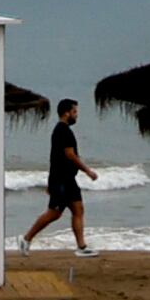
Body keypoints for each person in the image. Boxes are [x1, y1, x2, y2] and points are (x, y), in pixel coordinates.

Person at [22, 96, 95, 255]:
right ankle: (26, 239)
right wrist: (87, 170)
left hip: (68, 179)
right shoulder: (62, 131)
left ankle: (81, 247)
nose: (76, 115)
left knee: (78, 209)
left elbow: (55, 157)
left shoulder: (64, 130)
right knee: (54, 214)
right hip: (61, 180)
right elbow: (70, 155)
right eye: (74, 112)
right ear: (66, 113)